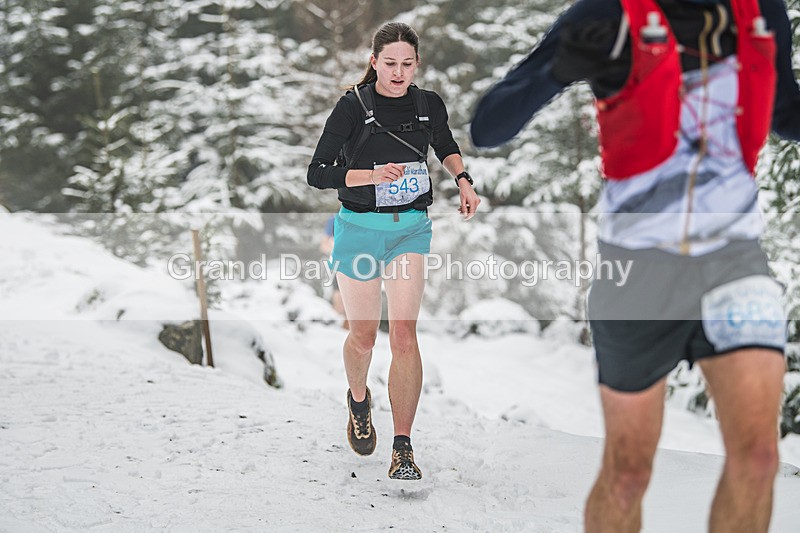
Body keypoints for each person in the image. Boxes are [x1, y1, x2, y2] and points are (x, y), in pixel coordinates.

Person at [471, 0, 799, 531]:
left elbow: (785, 113)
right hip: (638, 273)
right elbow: (488, 127)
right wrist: (559, 68)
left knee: (758, 459)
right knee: (628, 472)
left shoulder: (761, 10)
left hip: (736, 264)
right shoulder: (606, 15)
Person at [308, 21, 480, 480]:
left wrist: (462, 179)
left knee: (403, 334)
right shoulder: (352, 107)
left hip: (410, 230)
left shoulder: (427, 105)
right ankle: (359, 400)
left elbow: (444, 144)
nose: (398, 72)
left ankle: (402, 446)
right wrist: (369, 175)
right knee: (364, 336)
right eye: (390, 64)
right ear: (374, 62)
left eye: (407, 64)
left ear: (416, 64)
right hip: (359, 228)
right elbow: (318, 172)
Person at [319, 215, 348, 329]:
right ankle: (336, 328)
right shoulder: (335, 219)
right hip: (341, 262)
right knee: (339, 294)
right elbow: (323, 245)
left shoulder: (367, 216)